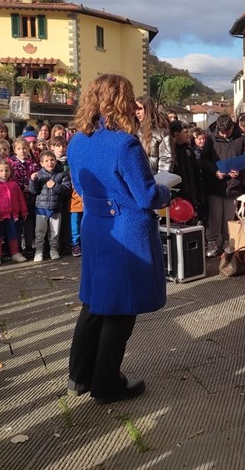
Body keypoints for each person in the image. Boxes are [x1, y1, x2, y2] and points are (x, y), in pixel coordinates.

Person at [66, 74, 171, 404]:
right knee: (121, 311)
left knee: (94, 304)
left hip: (96, 227)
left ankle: (79, 376)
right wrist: (167, 190)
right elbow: (146, 196)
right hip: (127, 232)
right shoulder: (125, 144)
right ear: (120, 102)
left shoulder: (77, 141)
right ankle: (107, 382)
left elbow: (80, 189)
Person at [201, 114, 245, 257]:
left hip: (233, 185)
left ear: (233, 127)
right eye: (221, 132)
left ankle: (227, 242)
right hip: (215, 185)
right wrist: (215, 172)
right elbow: (204, 160)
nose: (224, 135)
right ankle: (213, 242)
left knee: (229, 217)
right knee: (215, 217)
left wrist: (239, 171)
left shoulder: (242, 139)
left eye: (227, 133)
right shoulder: (211, 139)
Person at [29, 150, 70, 262]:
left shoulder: (62, 174)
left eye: (52, 160)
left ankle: (53, 250)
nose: (50, 162)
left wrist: (55, 186)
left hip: (56, 208)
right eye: (46, 161)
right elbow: (33, 191)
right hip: (41, 208)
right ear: (41, 163)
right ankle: (39, 251)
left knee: (55, 231)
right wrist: (32, 181)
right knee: (40, 231)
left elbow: (66, 190)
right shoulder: (39, 175)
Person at [0, 160, 28, 266]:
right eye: (1, 171)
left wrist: (23, 210)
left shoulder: (13, 184)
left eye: (6, 170)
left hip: (12, 216)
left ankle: (15, 253)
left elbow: (20, 198)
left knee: (13, 236)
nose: (4, 173)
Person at [8, 137, 39, 256]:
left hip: (31, 198)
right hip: (16, 198)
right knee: (17, 223)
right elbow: (10, 178)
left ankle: (29, 246)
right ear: (15, 150)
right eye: (19, 149)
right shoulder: (11, 163)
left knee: (29, 223)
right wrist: (21, 187)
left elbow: (37, 176)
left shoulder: (33, 163)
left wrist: (31, 185)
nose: (22, 151)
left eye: (24, 148)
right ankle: (17, 248)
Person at [169, 120, 204, 221]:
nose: (187, 134)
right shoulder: (170, 153)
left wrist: (198, 196)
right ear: (176, 134)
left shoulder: (188, 150)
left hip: (190, 195)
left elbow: (195, 175)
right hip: (177, 197)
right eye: (185, 132)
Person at [135, 96, 172, 175]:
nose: (137, 112)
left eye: (140, 109)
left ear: (148, 109)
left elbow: (166, 160)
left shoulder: (161, 133)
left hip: (154, 179)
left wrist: (161, 182)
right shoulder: (132, 131)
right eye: (135, 109)